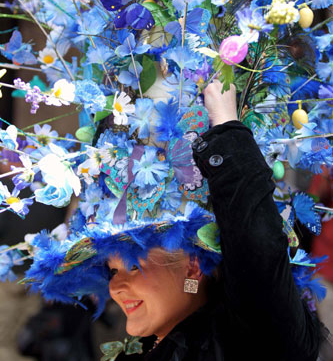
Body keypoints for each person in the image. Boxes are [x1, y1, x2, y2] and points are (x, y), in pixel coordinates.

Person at [106, 80, 321, 361]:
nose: (113, 288)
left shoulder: (246, 343)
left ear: (193, 267)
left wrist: (226, 129)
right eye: (111, 271)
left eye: (133, 265)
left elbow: (258, 254)